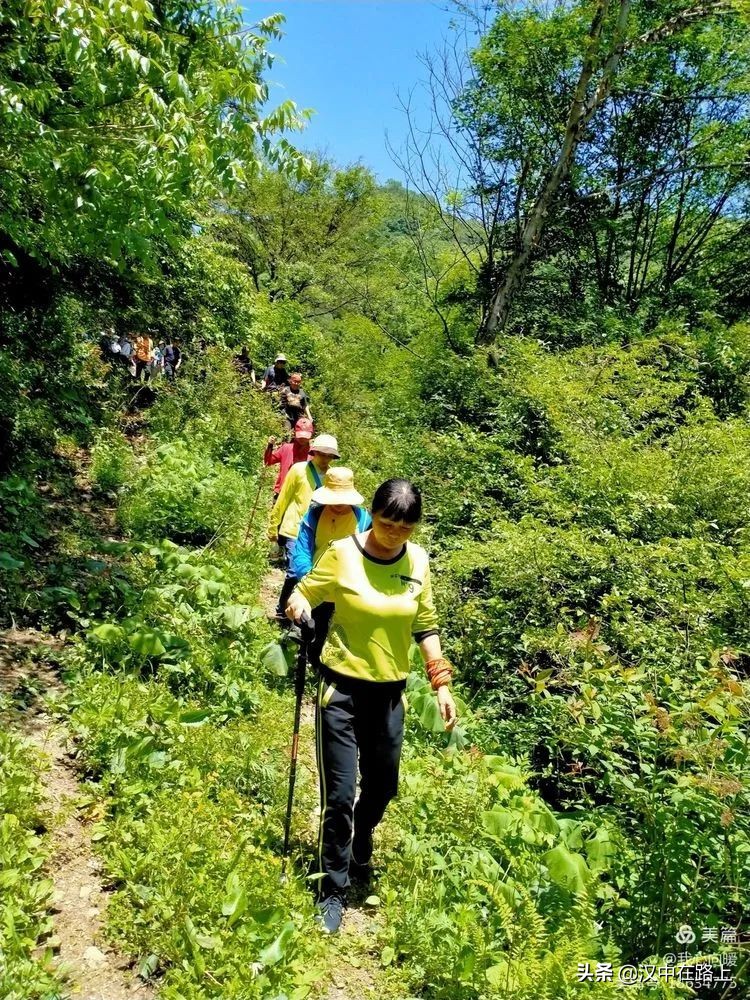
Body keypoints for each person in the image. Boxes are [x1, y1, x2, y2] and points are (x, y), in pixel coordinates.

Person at [286, 479, 457, 934]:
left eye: (405, 527)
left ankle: (362, 839)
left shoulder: (418, 560)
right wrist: (298, 608)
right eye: (386, 523)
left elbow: (426, 624)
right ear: (373, 516)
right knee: (338, 798)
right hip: (340, 691)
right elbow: (304, 592)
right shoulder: (342, 553)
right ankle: (332, 889)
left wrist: (440, 683)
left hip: (389, 693)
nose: (394, 534)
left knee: (382, 787)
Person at [290, 466, 371, 666]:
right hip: (317, 585)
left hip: (350, 589)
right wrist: (310, 579)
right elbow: (302, 551)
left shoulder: (363, 521)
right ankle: (310, 659)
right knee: (314, 626)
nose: (338, 504)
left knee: (342, 632)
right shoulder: (314, 517)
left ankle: (334, 666)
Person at [267, 434, 339, 622]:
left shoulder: (333, 478)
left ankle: (297, 611)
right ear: (313, 453)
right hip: (293, 527)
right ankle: (283, 610)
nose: (325, 459)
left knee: (308, 572)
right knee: (294, 571)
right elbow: (284, 497)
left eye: (329, 456)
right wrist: (273, 525)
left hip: (317, 531)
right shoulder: (299, 470)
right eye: (322, 454)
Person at [264, 417, 314, 497]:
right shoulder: (286, 448)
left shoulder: (314, 453)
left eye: (305, 437)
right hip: (282, 493)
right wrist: (270, 446)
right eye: (300, 436)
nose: (303, 439)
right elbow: (268, 461)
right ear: (295, 433)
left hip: (302, 495)